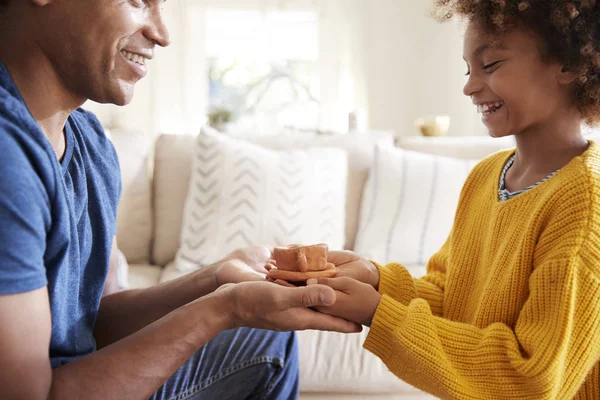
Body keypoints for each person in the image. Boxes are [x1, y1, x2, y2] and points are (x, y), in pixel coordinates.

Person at [0, 1, 361, 399]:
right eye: (139, 2)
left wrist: (216, 278)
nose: (162, 33)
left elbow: (95, 320)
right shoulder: (7, 155)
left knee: (267, 341)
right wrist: (226, 308)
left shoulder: (91, 144)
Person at [300, 1, 600, 398]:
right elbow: (450, 297)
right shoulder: (486, 176)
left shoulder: (585, 204)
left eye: (490, 65)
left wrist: (377, 312)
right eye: (468, 69)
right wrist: (374, 278)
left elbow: (532, 378)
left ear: (568, 65)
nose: (470, 86)